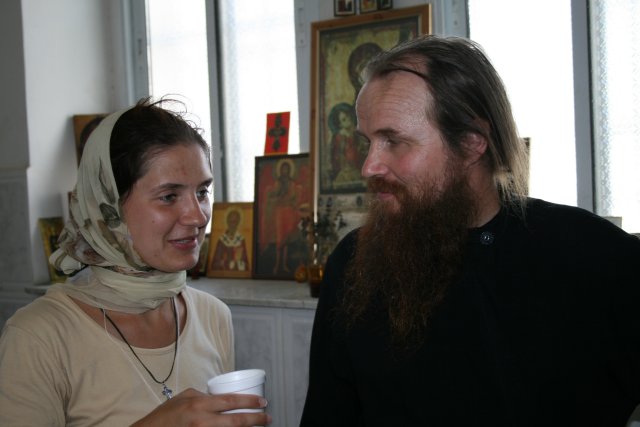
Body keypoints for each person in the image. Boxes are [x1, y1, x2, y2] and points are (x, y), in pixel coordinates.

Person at [300, 35, 640, 427]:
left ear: (471, 143)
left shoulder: (591, 255)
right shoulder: (353, 263)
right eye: (368, 141)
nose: (369, 166)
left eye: (393, 141)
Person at [0, 98, 271, 426]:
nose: (198, 217)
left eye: (202, 192)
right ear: (108, 207)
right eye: (169, 196)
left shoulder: (212, 316)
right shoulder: (39, 336)